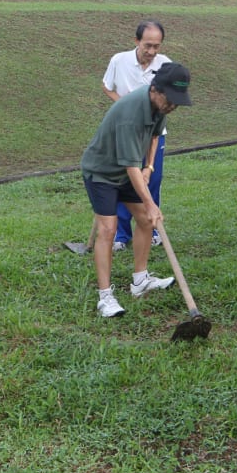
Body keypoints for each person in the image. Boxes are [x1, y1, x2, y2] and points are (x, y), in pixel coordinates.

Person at [82, 63, 192, 317]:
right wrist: (151, 201)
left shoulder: (160, 106)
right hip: (102, 173)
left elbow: (154, 137)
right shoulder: (132, 112)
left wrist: (149, 166)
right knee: (108, 230)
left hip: (126, 170)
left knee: (144, 220)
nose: (173, 106)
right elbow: (131, 166)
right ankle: (105, 297)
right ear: (155, 89)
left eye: (177, 101)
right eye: (171, 99)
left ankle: (140, 281)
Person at [102, 20, 170, 252]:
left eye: (157, 46)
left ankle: (151, 229)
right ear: (136, 41)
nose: (152, 52)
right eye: (147, 45)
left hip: (153, 133)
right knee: (123, 182)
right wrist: (125, 107)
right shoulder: (119, 60)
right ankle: (121, 235)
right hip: (124, 134)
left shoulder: (165, 65)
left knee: (152, 178)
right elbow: (107, 86)